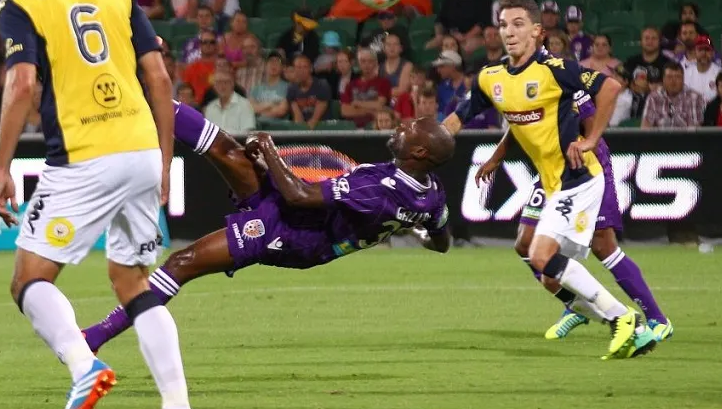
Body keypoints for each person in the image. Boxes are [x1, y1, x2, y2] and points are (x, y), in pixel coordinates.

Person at [0, 0, 197, 409]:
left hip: (84, 154)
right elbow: (159, 78)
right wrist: (164, 159)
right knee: (132, 281)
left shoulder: (20, 3)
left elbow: (21, 84)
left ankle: (84, 366)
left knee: (29, 279)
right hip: (140, 147)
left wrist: (2, 166)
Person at [82, 104, 454, 354]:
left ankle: (94, 338)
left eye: (409, 129)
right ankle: (149, 99)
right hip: (304, 216)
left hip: (295, 234)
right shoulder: (432, 195)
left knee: (182, 262)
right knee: (225, 149)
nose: (402, 126)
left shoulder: (376, 190)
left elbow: (299, 195)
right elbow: (443, 242)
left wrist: (268, 149)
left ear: (420, 152)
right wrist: (418, 232)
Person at [442, 0, 650, 359]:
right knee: (539, 257)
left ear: (537, 31)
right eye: (503, 25)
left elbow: (611, 88)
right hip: (554, 184)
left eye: (518, 24)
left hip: (579, 178)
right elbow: (458, 118)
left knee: (543, 254)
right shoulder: (491, 77)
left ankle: (623, 318)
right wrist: (429, 144)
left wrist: (591, 139)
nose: (509, 32)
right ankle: (617, 320)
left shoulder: (556, 68)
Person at [473, 74, 672, 344]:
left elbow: (591, 125)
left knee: (603, 246)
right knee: (525, 243)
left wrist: (586, 144)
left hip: (585, 167)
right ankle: (576, 305)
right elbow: (517, 123)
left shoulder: (560, 77)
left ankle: (657, 319)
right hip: (551, 170)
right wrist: (496, 158)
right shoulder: (522, 79)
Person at [641, 61, 705, 128]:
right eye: (669, 77)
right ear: (663, 79)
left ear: (683, 79)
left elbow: (695, 128)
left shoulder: (695, 97)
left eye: (677, 77)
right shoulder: (653, 97)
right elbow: (646, 125)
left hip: (685, 134)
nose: (673, 81)